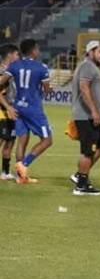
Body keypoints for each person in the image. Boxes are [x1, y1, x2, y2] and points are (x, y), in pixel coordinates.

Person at [0, 38, 54, 184]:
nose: (39, 51)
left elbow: (1, 82)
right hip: (33, 108)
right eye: (38, 49)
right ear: (33, 50)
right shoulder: (41, 67)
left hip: (18, 106)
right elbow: (47, 89)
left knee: (22, 140)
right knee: (48, 140)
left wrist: (9, 105)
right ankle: (24, 165)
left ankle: (20, 177)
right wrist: (50, 88)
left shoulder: (14, 66)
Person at [69, 40, 100, 195]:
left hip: (92, 116)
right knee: (88, 150)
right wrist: (93, 111)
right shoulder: (87, 66)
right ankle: (81, 186)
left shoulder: (91, 67)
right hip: (86, 116)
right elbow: (84, 88)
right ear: (90, 52)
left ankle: (80, 175)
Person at [0, 43, 18, 181]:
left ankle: (5, 172)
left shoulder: (10, 71)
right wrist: (8, 107)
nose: (18, 57)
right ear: (10, 55)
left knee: (10, 141)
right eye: (17, 54)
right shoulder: (2, 71)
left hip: (12, 110)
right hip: (2, 111)